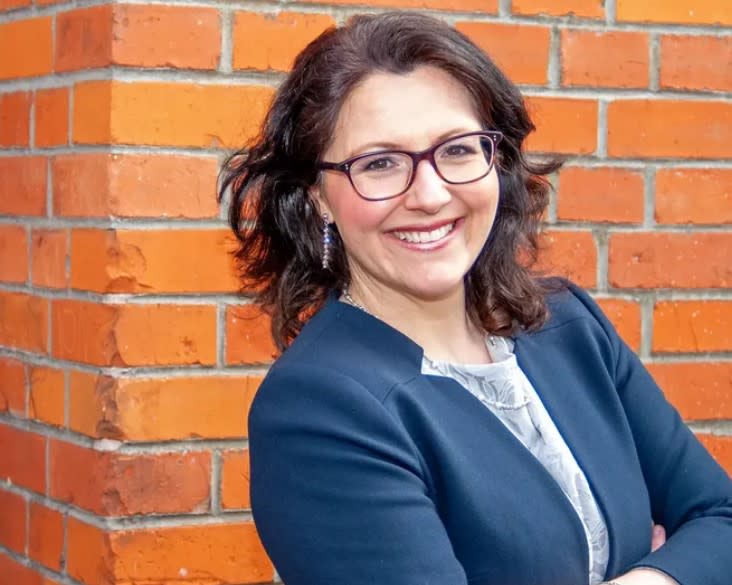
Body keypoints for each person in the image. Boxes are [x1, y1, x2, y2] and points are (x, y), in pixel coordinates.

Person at [218, 12, 732, 585]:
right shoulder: (319, 408)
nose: (432, 194)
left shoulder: (569, 326)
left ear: (498, 160)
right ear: (317, 197)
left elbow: (723, 520)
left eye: (458, 150)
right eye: (381, 163)